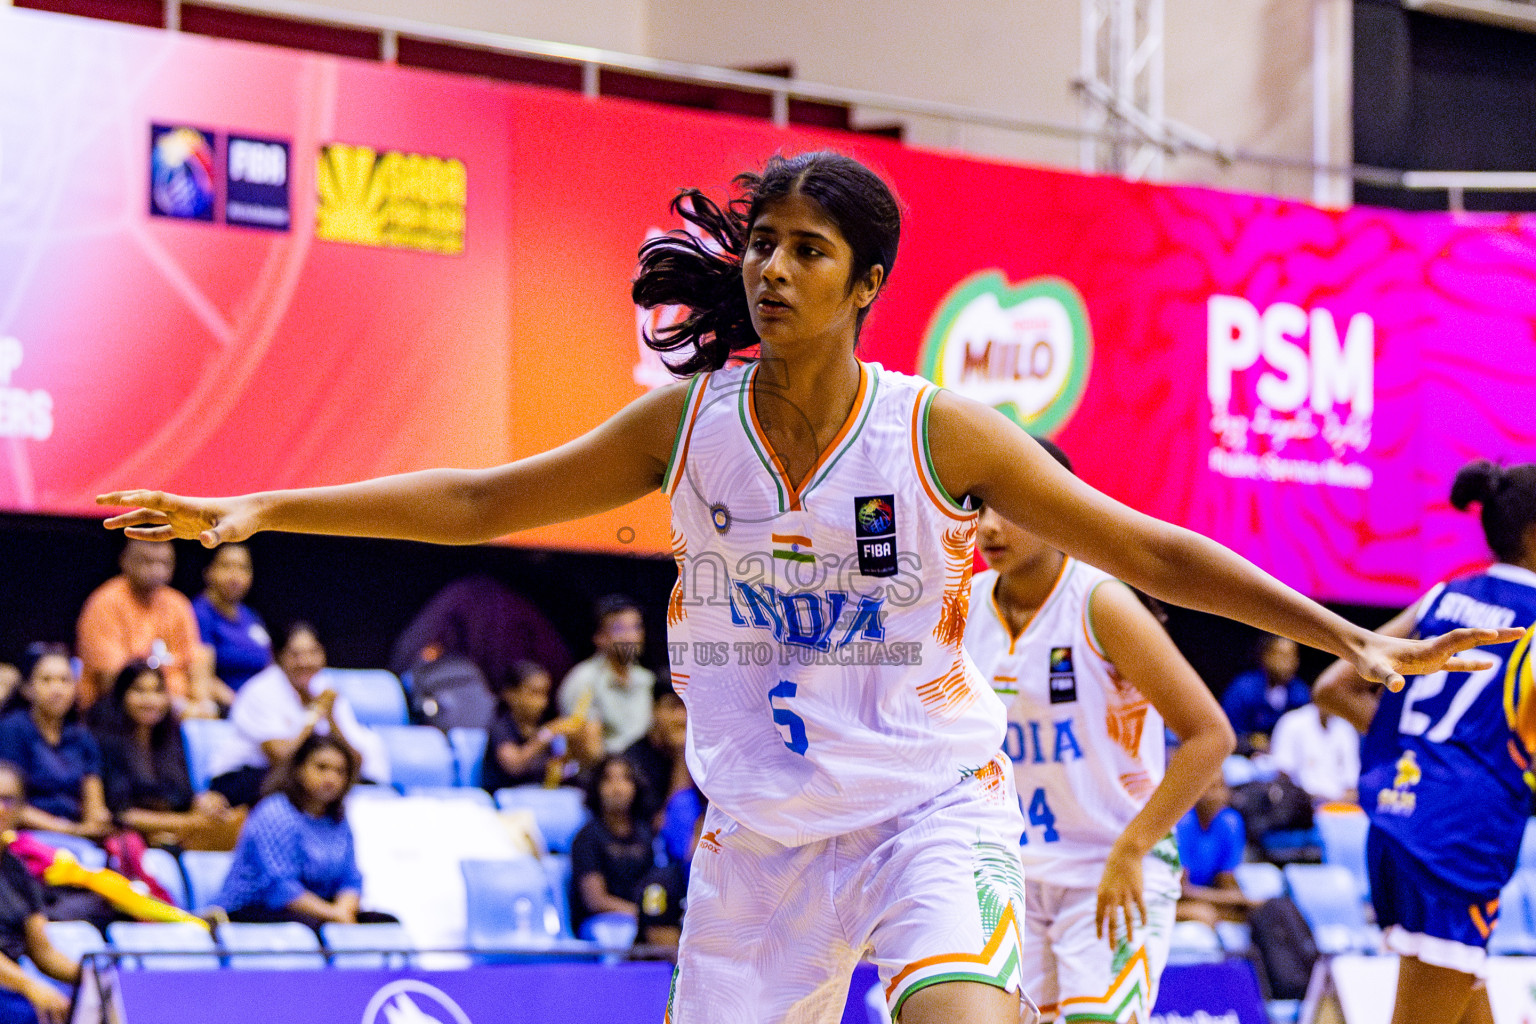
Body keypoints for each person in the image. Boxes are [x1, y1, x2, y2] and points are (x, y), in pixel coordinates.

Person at [97, 151, 1512, 1024]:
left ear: (867, 282)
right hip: (757, 844)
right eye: (762, 242)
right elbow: (480, 498)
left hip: (926, 815)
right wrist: (260, 503)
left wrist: (1335, 632)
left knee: (962, 1017)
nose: (772, 268)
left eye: (807, 250)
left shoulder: (933, 432)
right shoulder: (690, 419)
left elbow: (1139, 541)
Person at [964, 437, 1235, 1024]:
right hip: (1009, 873)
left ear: (1055, 508)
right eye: (979, 507)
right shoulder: (963, 605)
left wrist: (1133, 846)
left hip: (1107, 869)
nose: (988, 526)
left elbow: (1211, 735)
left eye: (1007, 507)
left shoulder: (1100, 603)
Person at [1316, 460, 1536, 1024]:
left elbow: (1333, 685)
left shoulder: (1443, 597)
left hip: (1397, 818)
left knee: (1460, 996)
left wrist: (1420, 748)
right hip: (1460, 834)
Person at [214, 734, 397, 930]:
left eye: (340, 772)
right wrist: (334, 914)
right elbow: (280, 888)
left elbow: (350, 878)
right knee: (313, 928)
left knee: (386, 924)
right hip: (253, 911)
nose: (331, 778)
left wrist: (344, 910)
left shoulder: (338, 820)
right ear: (299, 769)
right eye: (322, 768)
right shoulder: (275, 812)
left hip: (319, 910)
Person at [206, 623, 389, 808]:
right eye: (295, 655)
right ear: (279, 657)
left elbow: (355, 761)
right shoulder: (261, 691)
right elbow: (281, 757)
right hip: (243, 776)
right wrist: (314, 715)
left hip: (297, 775)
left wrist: (332, 719)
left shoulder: (326, 690)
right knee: (306, 786)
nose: (305, 662)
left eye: (313, 653)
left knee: (359, 786)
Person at [90, 662, 240, 849]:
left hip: (177, 834)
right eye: (139, 691)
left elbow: (184, 794)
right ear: (122, 695)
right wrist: (190, 822)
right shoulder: (106, 742)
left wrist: (206, 802)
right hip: (133, 839)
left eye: (158, 691)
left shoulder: (172, 736)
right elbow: (121, 814)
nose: (150, 700)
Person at [75, 539, 217, 713]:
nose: (157, 570)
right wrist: (169, 703)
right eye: (147, 561)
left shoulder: (177, 603)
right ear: (125, 561)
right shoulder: (105, 602)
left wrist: (201, 704)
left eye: (164, 563)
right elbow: (111, 680)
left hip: (176, 714)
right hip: (117, 712)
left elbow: (196, 660)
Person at [0, 648, 112, 841]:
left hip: (78, 835)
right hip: (27, 836)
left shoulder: (81, 735)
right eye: (46, 680)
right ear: (27, 688)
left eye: (65, 680)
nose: (57, 689)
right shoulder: (12, 729)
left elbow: (93, 798)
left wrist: (96, 820)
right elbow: (9, 802)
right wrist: (69, 830)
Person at [0, 763, 80, 1024]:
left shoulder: (17, 869)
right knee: (30, 1013)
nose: (1, 808)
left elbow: (43, 953)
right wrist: (30, 986)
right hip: (11, 988)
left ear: (21, 809)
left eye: (8, 800)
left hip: (10, 983)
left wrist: (91, 975)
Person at [568, 755, 654, 940]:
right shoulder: (587, 838)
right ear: (597, 788)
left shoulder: (646, 834)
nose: (617, 788)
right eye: (608, 780)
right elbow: (596, 900)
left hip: (642, 916)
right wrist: (640, 914)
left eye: (625, 779)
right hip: (601, 922)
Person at [558, 596, 655, 755]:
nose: (630, 637)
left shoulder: (646, 680)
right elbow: (587, 750)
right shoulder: (584, 680)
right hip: (603, 773)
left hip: (643, 769)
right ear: (599, 637)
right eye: (619, 629)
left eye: (636, 627)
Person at [481, 661, 597, 793]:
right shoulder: (501, 727)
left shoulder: (542, 724)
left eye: (544, 693)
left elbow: (557, 769)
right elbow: (514, 765)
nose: (542, 702)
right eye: (534, 693)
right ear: (510, 694)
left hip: (540, 798)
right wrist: (547, 733)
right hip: (505, 800)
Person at [191, 544, 272, 695]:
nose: (235, 576)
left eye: (243, 568)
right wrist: (239, 704)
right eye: (226, 566)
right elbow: (201, 678)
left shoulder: (251, 616)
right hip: (225, 707)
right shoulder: (200, 614)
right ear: (208, 571)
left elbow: (269, 666)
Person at [1173, 779, 1253, 927]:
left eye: (1222, 786)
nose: (1218, 795)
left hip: (1206, 898)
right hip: (1171, 901)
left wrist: (1240, 901)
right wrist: (1238, 899)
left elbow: (1226, 881)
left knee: (1253, 915)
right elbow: (1180, 890)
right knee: (1203, 914)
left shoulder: (1230, 822)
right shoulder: (1182, 821)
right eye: (1212, 787)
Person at [1221, 635, 1309, 754]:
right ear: (1265, 656)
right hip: (1244, 758)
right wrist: (1252, 744)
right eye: (1281, 655)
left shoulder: (1301, 693)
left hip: (1284, 758)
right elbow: (1227, 734)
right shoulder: (1244, 688)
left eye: (1292, 656)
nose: (1288, 662)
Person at [623, 674, 690, 822]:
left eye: (686, 707)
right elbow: (661, 824)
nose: (682, 718)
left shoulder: (702, 753)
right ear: (654, 709)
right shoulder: (632, 761)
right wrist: (681, 756)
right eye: (673, 707)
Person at [1267, 699, 1359, 804]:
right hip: (1300, 804)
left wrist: (1335, 802)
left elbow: (1352, 787)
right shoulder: (1292, 722)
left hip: (1338, 806)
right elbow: (1283, 775)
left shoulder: (1346, 729)